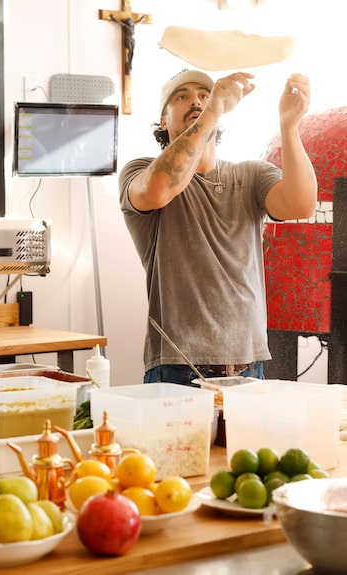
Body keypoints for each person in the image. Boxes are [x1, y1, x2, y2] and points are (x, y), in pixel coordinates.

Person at [118, 69, 317, 386]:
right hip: (178, 369)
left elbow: (301, 204)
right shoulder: (140, 171)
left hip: (248, 368)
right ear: (164, 121)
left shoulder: (251, 175)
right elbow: (158, 189)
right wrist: (210, 112)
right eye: (181, 96)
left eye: (203, 94)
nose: (195, 101)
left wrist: (289, 127)